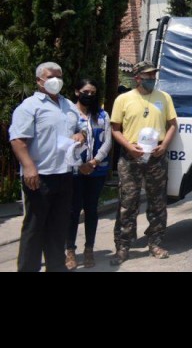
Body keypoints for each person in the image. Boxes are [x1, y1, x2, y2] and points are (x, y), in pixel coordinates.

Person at [8, 62, 85, 272]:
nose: (56, 80)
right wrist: (29, 167)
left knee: (58, 227)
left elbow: (81, 128)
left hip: (64, 174)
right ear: (39, 81)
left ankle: (56, 267)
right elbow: (17, 140)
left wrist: (81, 134)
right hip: (39, 177)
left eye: (59, 76)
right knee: (34, 228)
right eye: (51, 76)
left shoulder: (68, 105)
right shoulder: (29, 106)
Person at [109, 60, 177, 265]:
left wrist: (164, 145)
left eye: (153, 75)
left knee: (157, 202)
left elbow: (172, 124)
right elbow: (115, 129)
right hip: (131, 156)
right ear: (137, 78)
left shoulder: (164, 97)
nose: (152, 79)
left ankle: (155, 243)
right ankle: (122, 247)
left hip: (156, 156)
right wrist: (129, 147)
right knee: (128, 202)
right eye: (148, 76)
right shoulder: (123, 99)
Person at [65, 79, 112, 270]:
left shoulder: (102, 114)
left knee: (91, 210)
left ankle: (89, 249)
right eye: (86, 91)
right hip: (74, 171)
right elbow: (64, 141)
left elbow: (108, 141)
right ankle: (70, 250)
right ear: (77, 92)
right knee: (73, 211)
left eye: (93, 92)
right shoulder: (68, 114)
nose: (89, 95)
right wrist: (80, 164)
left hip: (96, 170)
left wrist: (94, 162)